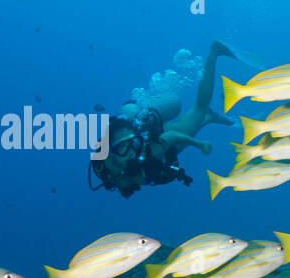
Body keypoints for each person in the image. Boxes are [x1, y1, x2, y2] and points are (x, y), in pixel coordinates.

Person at [91, 40, 237, 197]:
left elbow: (172, 137)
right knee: (196, 119)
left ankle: (214, 53)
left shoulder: (149, 151)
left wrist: (199, 144)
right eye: (122, 148)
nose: (131, 152)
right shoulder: (103, 169)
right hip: (154, 149)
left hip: (158, 137)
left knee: (199, 110)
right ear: (110, 154)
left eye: (133, 144)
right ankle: (207, 118)